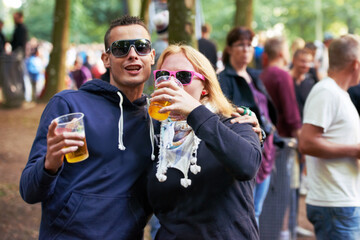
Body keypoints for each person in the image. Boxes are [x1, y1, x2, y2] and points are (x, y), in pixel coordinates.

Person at [19, 15, 156, 239]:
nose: (132, 54)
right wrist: (49, 164)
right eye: (121, 48)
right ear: (106, 59)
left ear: (151, 56)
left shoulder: (156, 119)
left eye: (141, 47)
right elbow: (29, 191)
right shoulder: (69, 105)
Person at [147, 44, 263, 239]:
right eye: (164, 75)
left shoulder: (236, 121)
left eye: (183, 76)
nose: (172, 84)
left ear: (205, 88)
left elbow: (247, 165)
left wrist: (194, 112)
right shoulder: (157, 134)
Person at [299, 34, 360, 240]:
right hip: (334, 205)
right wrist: (356, 150)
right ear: (355, 64)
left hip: (342, 203)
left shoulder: (340, 94)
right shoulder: (326, 91)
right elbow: (307, 142)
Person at [218, 26, 277, 226]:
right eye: (240, 45)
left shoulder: (255, 76)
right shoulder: (223, 79)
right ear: (229, 49)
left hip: (266, 150)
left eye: (249, 45)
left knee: (257, 210)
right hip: (245, 151)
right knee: (244, 213)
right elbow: (226, 114)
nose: (245, 50)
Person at [260, 36, 302, 239]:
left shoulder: (263, 74)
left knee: (268, 198)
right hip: (284, 142)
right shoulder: (282, 76)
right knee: (284, 195)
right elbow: (292, 114)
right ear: (282, 54)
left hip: (266, 143)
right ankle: (283, 234)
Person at [290, 48, 317, 118]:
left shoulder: (310, 82)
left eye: (309, 62)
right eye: (302, 61)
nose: (306, 65)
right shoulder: (286, 79)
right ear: (293, 60)